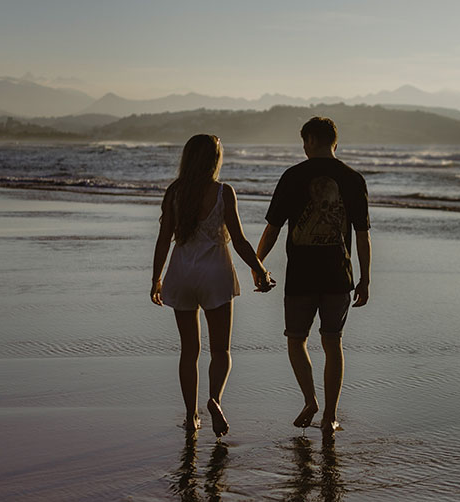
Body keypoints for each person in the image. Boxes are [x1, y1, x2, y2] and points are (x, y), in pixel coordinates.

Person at [151, 134, 275, 437]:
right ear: (214, 160)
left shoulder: (175, 193)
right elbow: (241, 241)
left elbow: (163, 239)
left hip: (181, 275)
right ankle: (214, 400)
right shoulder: (223, 192)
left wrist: (156, 278)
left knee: (189, 351)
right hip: (215, 274)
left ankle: (192, 416)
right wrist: (260, 270)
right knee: (220, 350)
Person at [255, 117, 372, 433]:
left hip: (301, 275)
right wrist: (365, 278)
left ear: (309, 141)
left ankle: (311, 400)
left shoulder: (293, 176)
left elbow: (273, 229)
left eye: (304, 142)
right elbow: (362, 234)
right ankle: (330, 416)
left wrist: (256, 264)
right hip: (338, 275)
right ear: (335, 142)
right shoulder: (353, 178)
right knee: (333, 342)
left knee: (296, 340)